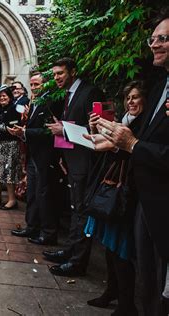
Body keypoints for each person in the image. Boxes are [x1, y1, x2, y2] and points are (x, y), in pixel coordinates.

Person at [89, 10, 169, 315]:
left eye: (163, 38)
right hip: (144, 200)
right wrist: (105, 130)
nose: (154, 44)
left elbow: (136, 143)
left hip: (156, 202)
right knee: (149, 281)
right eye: (153, 39)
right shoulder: (162, 85)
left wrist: (131, 144)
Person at [83, 80, 147, 316]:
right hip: (113, 186)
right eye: (128, 98)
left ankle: (127, 305)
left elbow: (112, 147)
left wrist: (112, 142)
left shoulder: (141, 126)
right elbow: (98, 144)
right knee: (110, 248)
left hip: (127, 193)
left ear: (145, 100)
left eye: (135, 97)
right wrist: (94, 130)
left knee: (120, 250)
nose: (130, 102)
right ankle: (111, 291)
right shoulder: (123, 123)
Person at [44, 57, 105, 277]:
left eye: (60, 73)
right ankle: (69, 250)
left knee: (80, 210)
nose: (56, 78)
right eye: (54, 74)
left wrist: (64, 131)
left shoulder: (90, 93)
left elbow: (96, 132)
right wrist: (62, 152)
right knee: (73, 207)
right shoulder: (70, 95)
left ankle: (78, 262)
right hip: (71, 159)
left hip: (85, 162)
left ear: (73, 71)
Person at [10, 73, 62, 245]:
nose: (33, 88)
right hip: (33, 155)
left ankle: (48, 233)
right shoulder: (35, 102)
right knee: (32, 192)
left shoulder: (50, 102)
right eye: (31, 85)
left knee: (44, 194)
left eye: (36, 84)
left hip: (45, 156)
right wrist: (22, 132)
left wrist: (24, 132)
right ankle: (31, 226)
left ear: (45, 85)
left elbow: (49, 131)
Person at [0, 85, 22, 210]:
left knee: (9, 173)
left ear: (9, 97)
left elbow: (13, 129)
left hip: (10, 145)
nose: (2, 98)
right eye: (0, 96)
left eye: (5, 96)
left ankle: (12, 200)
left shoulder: (14, 109)